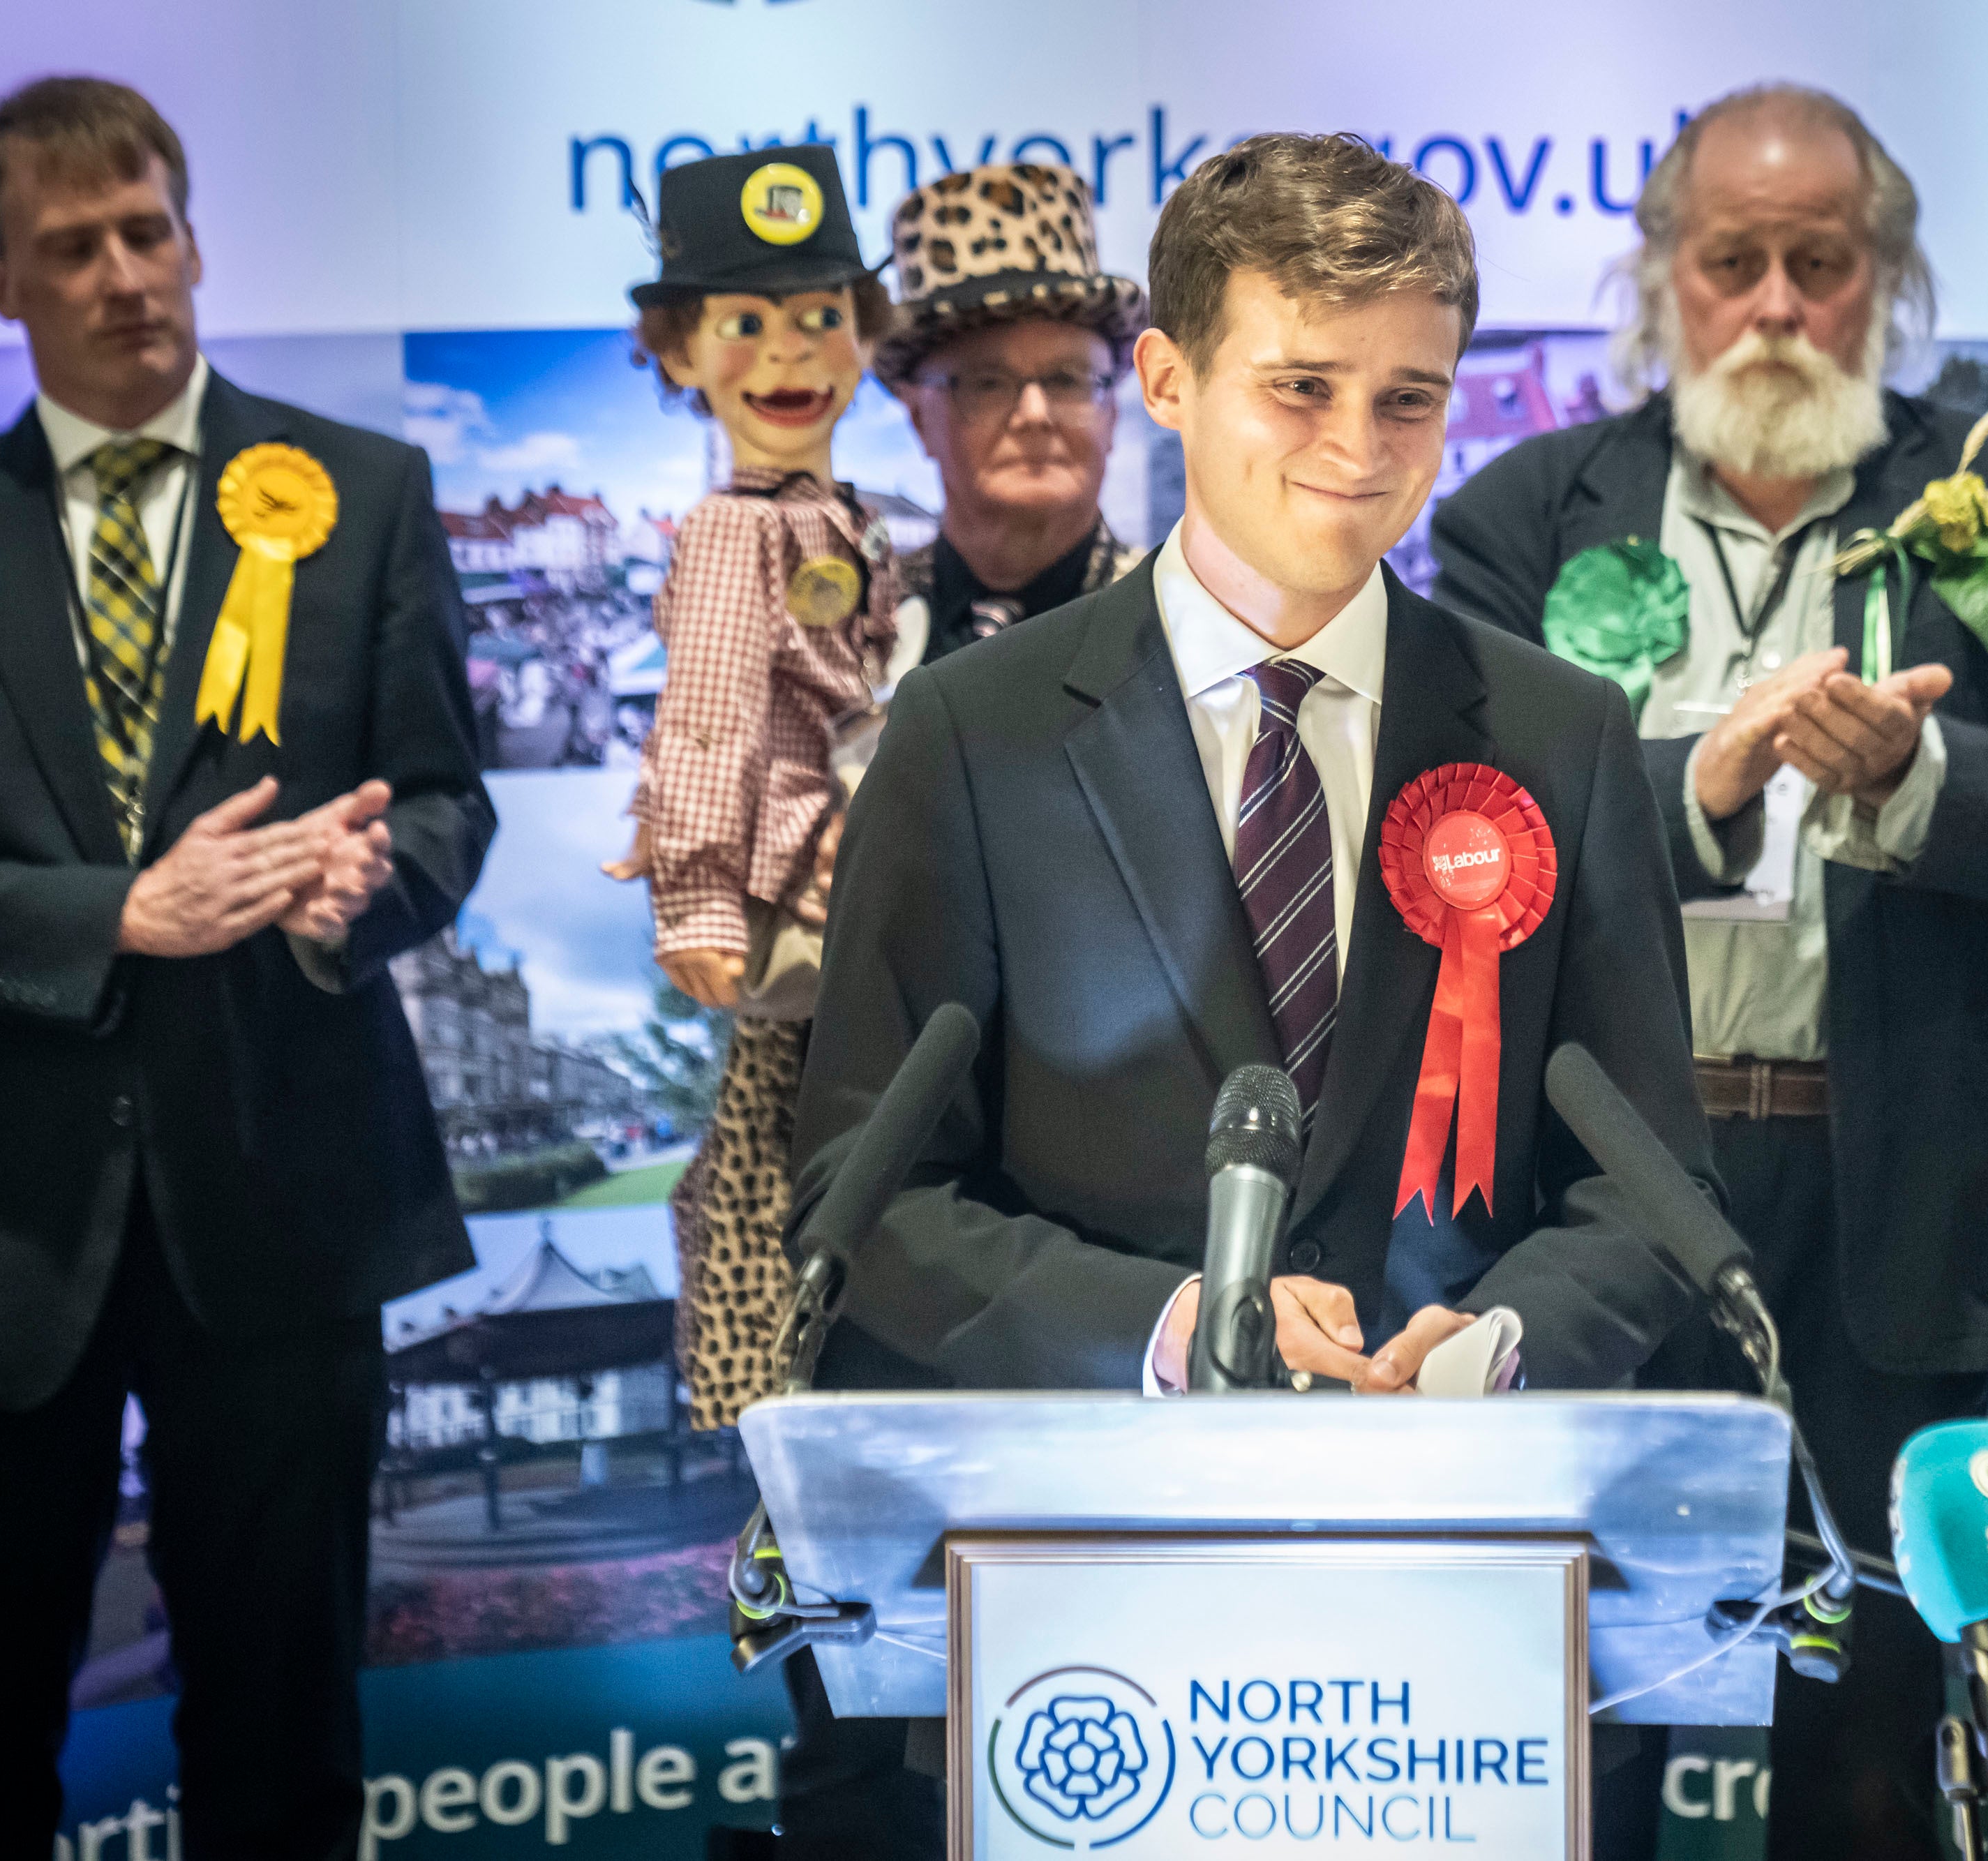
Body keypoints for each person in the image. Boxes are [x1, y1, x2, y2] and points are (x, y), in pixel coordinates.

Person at [779, 129, 1721, 1858]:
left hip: (1464, 1579)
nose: (1359, 455)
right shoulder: (975, 741)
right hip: (1089, 1577)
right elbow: (869, 1194)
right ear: (1164, 377)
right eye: (1300, 388)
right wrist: (1158, 1329)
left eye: (1410, 400)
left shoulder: (1563, 739)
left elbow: (1646, 1189)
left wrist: (1504, 1342)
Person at [1428, 83, 1988, 1861]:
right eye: (1731, 261)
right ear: (1661, 277)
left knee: (1865, 1743)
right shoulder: (1523, 512)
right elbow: (1449, 835)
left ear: (1883, 279)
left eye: (1817, 266)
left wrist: (1913, 777)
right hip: (1598, 1197)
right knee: (1580, 1730)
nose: (1772, 306)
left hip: (1890, 1191)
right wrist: (1697, 784)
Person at [0, 77, 492, 1856]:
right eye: (74, 248)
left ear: (195, 239)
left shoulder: (363, 490)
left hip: (284, 1207)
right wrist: (110, 917)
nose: (126, 275)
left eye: (149, 230)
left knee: (286, 1736)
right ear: (1, 286)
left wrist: (358, 892)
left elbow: (444, 808)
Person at [601, 146, 898, 1435]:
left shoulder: (846, 513)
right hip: (794, 884)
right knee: (781, 1160)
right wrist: (700, 895)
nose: (789, 353)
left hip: (858, 869)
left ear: (865, 339)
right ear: (681, 353)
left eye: (821, 316)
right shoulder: (733, 530)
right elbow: (711, 716)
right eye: (746, 323)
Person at [875, 162, 1146, 662]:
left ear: (1113, 415)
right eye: (987, 384)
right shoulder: (855, 631)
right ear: (918, 419)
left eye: (1070, 379)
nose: (1034, 414)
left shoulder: (1177, 629)